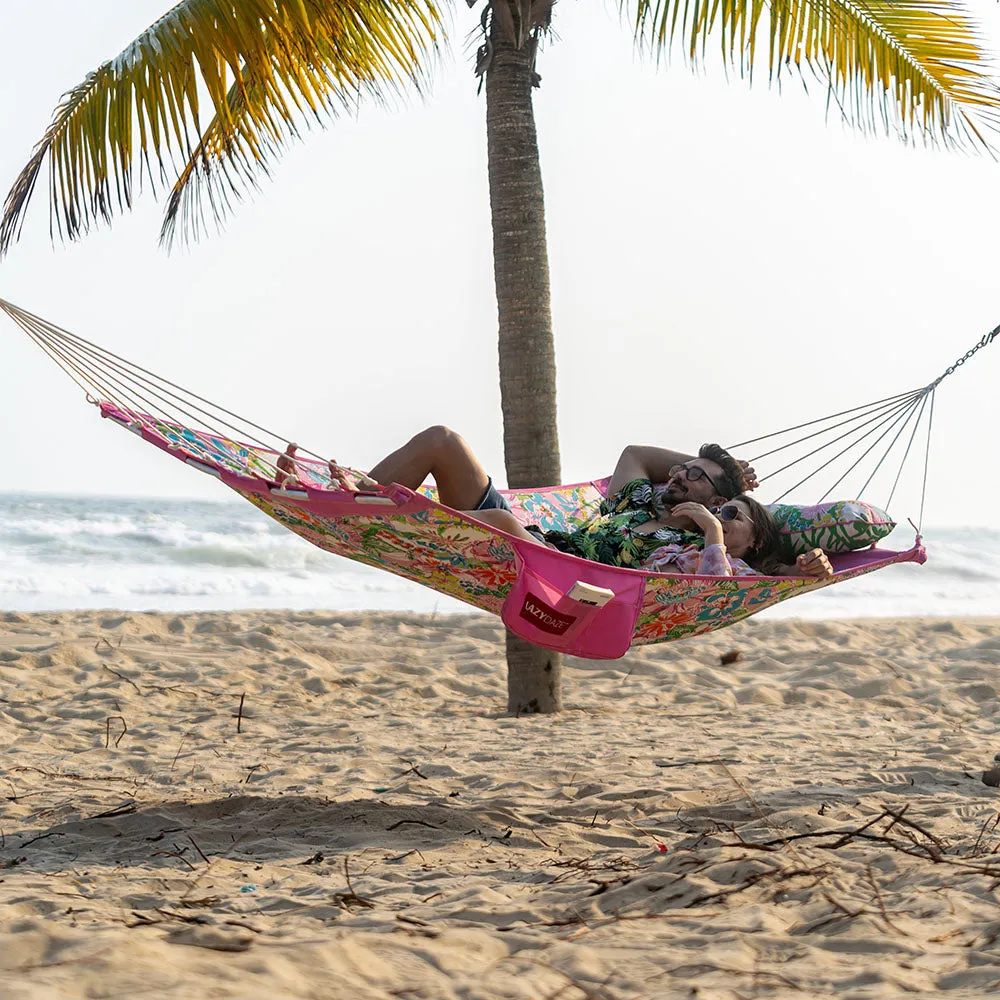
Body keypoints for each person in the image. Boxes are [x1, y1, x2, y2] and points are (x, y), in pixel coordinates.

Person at [331, 425, 831, 578]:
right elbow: (636, 453)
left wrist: (797, 572)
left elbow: (739, 580)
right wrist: (716, 470)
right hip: (534, 538)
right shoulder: (633, 501)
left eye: (695, 478)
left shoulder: (694, 547)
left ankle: (388, 517)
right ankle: (347, 503)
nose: (678, 476)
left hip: (555, 571)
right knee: (444, 441)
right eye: (680, 471)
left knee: (501, 517)